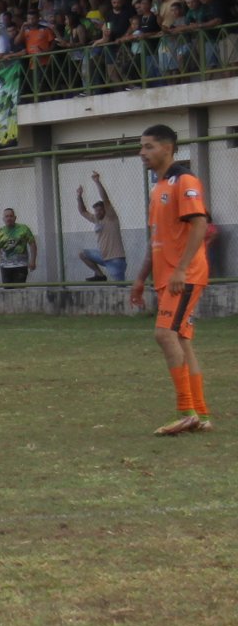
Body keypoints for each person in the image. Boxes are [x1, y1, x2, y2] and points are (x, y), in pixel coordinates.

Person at [129, 125, 213, 435]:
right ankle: (200, 412)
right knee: (181, 341)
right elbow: (157, 240)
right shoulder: (159, 187)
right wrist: (140, 279)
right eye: (142, 147)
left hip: (184, 276)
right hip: (167, 277)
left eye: (148, 146)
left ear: (168, 148)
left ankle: (186, 410)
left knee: (164, 335)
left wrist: (180, 269)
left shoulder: (185, 180)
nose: (142, 153)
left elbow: (200, 223)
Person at [77, 171, 127, 281]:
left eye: (100, 210)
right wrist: (79, 196)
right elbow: (83, 211)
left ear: (105, 210)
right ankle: (100, 275)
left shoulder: (111, 217)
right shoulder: (96, 219)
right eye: (96, 211)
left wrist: (97, 182)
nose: (97, 213)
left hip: (115, 259)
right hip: (103, 257)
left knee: (121, 288)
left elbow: (106, 199)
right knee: (83, 254)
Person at [0, 208, 38, 285]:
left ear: (15, 217)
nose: (9, 218)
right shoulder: (0, 232)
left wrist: (33, 261)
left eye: (11, 216)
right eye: (6, 216)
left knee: (19, 290)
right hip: (5, 267)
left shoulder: (24, 229)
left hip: (21, 266)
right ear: (3, 219)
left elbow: (32, 244)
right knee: (7, 292)